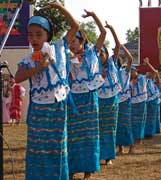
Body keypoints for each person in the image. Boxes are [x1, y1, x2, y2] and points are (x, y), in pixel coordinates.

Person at [14, 1, 79, 179]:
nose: (33, 39)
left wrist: (59, 7)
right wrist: (38, 68)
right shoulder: (28, 58)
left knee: (56, 148)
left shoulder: (59, 48)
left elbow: (75, 26)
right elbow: (17, 77)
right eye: (30, 35)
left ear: (47, 35)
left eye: (38, 34)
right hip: (38, 110)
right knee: (37, 149)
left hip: (57, 107)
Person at [67, 10, 106, 180]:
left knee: (88, 133)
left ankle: (88, 170)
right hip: (74, 98)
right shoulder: (67, 58)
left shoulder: (92, 53)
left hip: (89, 98)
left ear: (82, 41)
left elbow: (103, 33)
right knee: (74, 133)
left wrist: (94, 16)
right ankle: (72, 168)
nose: (71, 45)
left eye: (74, 42)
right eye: (69, 43)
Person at [98, 21, 121, 165]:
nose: (100, 55)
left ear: (106, 54)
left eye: (102, 53)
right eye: (98, 53)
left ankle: (109, 157)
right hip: (99, 98)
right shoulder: (94, 66)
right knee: (99, 128)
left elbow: (118, 46)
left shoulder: (113, 61)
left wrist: (112, 28)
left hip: (112, 99)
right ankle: (100, 154)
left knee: (110, 128)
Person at [116, 43, 134, 155]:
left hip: (125, 101)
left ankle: (131, 146)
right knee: (117, 125)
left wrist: (123, 48)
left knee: (126, 124)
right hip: (116, 101)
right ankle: (120, 148)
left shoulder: (125, 72)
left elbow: (131, 59)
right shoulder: (111, 72)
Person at [144, 65, 160, 138]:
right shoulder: (145, 79)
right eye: (149, 73)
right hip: (147, 100)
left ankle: (150, 133)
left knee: (151, 117)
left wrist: (148, 63)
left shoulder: (152, 81)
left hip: (153, 100)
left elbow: (155, 72)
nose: (151, 74)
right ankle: (146, 132)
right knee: (146, 117)